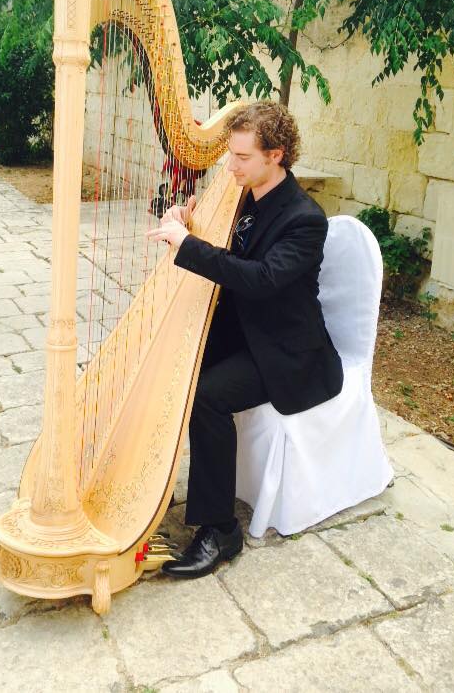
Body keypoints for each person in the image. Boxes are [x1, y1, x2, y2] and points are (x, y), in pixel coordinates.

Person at [145, 100, 343, 578]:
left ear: (275, 156)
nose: (230, 166)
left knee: (208, 396)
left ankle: (221, 531)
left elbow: (259, 278)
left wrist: (187, 246)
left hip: (285, 350)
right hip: (242, 331)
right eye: (229, 155)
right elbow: (223, 249)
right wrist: (183, 219)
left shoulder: (305, 218)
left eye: (241, 158)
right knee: (163, 360)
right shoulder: (242, 195)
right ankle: (149, 486)